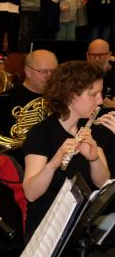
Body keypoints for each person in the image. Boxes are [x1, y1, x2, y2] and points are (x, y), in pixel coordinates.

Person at [22, 61, 111, 238]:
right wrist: (53, 164)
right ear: (70, 96)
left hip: (81, 226)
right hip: (47, 230)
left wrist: (94, 159)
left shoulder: (94, 129)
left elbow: (103, 185)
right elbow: (31, 194)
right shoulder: (41, 133)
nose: (100, 101)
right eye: (93, 94)